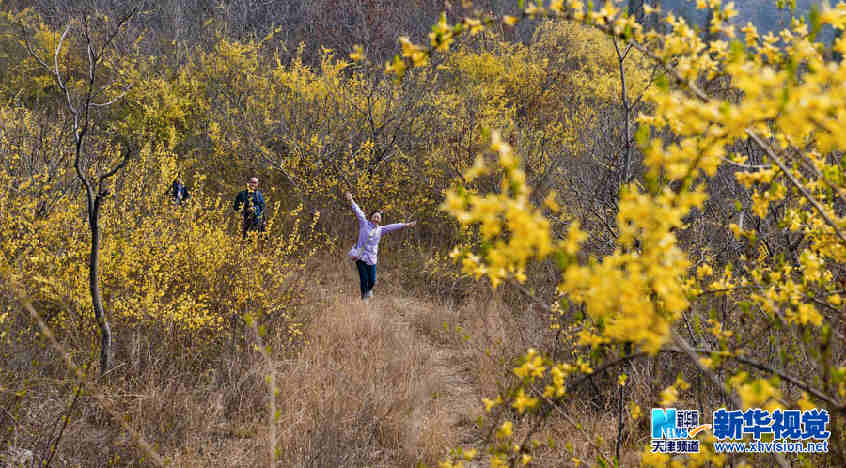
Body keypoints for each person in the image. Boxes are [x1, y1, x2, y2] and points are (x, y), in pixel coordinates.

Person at [345, 191, 416, 300]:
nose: (377, 218)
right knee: (364, 279)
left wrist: (406, 225)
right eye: (375, 216)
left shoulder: (381, 230)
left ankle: (369, 290)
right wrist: (351, 200)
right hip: (360, 256)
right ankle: (364, 299)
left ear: (380, 220)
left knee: (372, 281)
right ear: (371, 217)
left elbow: (393, 226)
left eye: (378, 217)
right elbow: (358, 212)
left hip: (372, 258)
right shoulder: (364, 223)